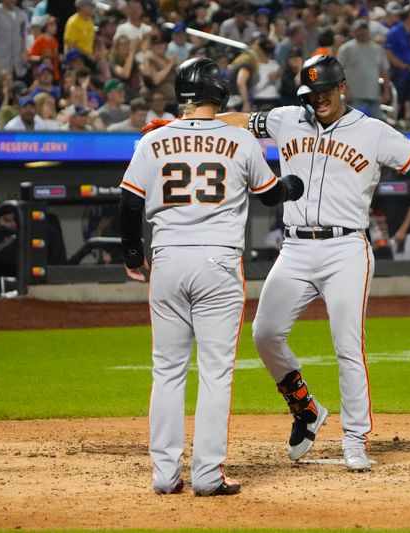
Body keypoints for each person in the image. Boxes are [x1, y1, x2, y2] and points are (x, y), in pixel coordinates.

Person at [216, 55, 410, 471]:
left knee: (347, 345)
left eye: (325, 91)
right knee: (264, 333)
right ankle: (306, 408)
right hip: (295, 249)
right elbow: (239, 120)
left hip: (345, 249)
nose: (318, 100)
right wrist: (183, 129)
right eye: (311, 94)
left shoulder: (371, 131)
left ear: (342, 87)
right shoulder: (285, 118)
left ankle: (355, 439)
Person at [120, 57, 304, 496]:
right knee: (216, 372)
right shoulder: (240, 141)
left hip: (166, 260)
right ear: (218, 94)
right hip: (218, 264)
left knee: (166, 371)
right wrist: (293, 186)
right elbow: (270, 196)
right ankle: (207, 474)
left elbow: (128, 203)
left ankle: (165, 475)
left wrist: (132, 254)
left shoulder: (153, 140)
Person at [337, 18, 391, 120]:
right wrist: (345, 90)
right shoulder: (346, 48)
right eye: (359, 30)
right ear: (354, 31)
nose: (362, 32)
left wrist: (386, 91)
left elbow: (384, 70)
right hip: (354, 95)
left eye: (364, 29)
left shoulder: (377, 49)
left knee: (379, 122)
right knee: (352, 122)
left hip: (374, 94)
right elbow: (338, 71)